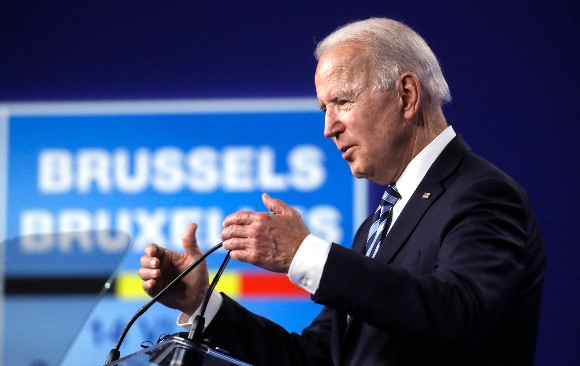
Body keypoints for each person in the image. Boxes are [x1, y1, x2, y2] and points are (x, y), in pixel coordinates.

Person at [139, 18, 546, 366]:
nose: (329, 127)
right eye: (324, 109)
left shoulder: (483, 194)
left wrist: (304, 253)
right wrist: (201, 303)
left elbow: (459, 313)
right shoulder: (376, 227)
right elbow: (317, 358)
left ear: (406, 95)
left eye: (343, 102)